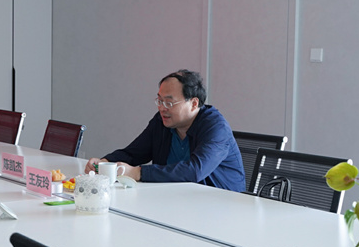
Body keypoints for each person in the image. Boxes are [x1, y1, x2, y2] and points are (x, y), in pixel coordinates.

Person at [85, 69, 244, 192]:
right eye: (159, 101)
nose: (162, 108)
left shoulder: (215, 127)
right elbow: (134, 153)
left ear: (194, 104)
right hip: (176, 199)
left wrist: (138, 173)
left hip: (220, 203)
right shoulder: (162, 122)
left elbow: (195, 170)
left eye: (169, 103)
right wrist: (105, 162)